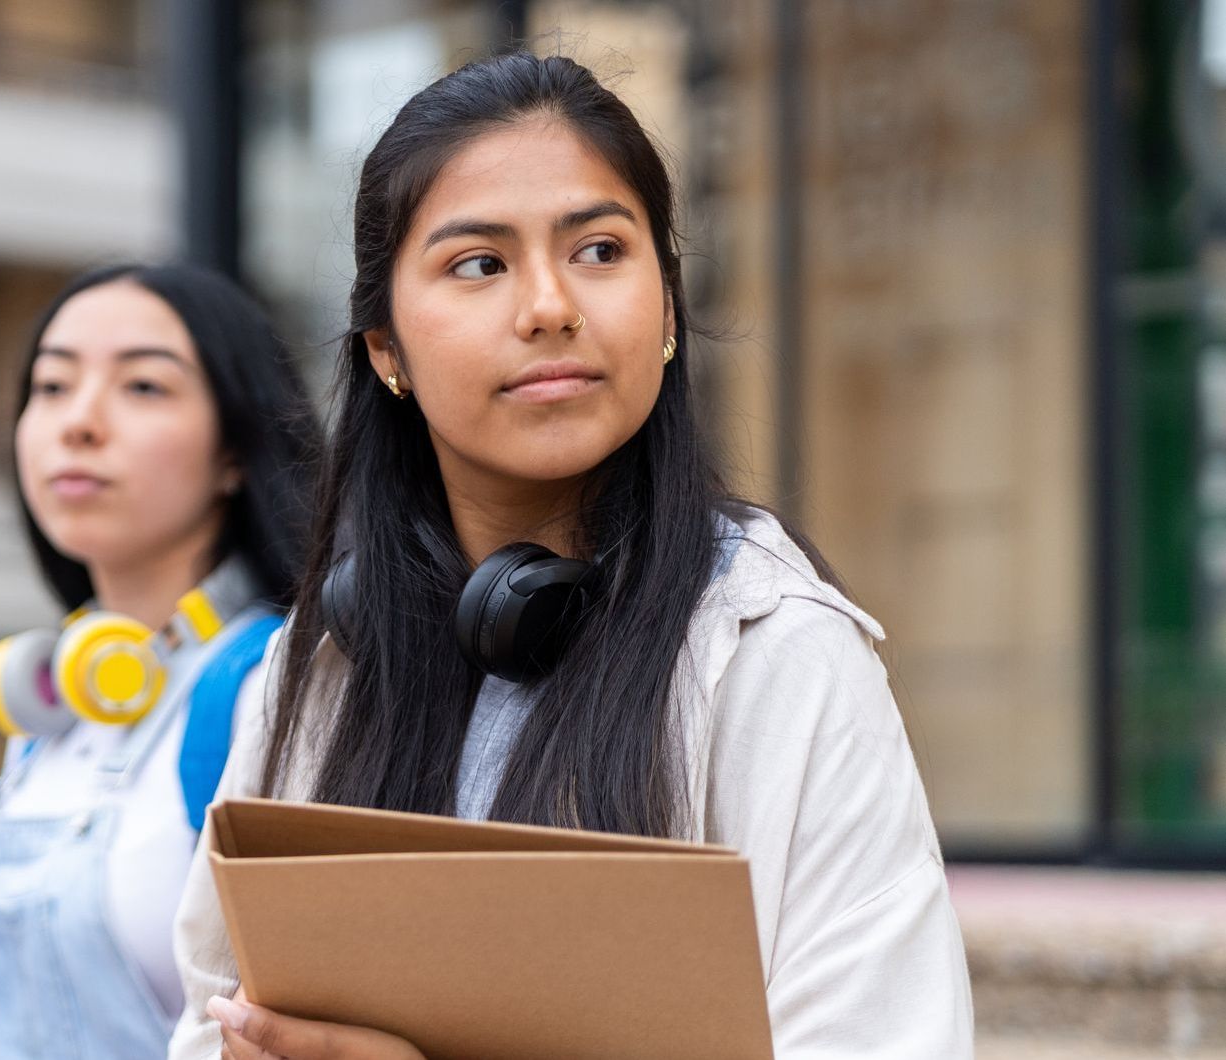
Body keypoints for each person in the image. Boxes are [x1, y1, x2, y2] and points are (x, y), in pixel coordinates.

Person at [168, 52, 975, 1060]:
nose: (550, 306)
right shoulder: (319, 666)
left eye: (599, 249)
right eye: (479, 263)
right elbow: (210, 1025)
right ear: (385, 350)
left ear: (669, 310)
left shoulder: (776, 654)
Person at [0, 262, 321, 1060]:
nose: (77, 422)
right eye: (51, 387)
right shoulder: (46, 720)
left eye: (143, 387)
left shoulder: (279, 688)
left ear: (236, 450)